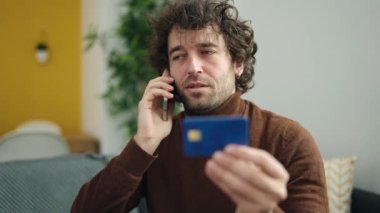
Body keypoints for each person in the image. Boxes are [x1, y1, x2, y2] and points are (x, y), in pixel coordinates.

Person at [72, 0, 328, 212]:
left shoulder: (287, 139)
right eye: (179, 56)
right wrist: (143, 142)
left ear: (237, 62)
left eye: (207, 51)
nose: (193, 67)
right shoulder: (158, 142)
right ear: (167, 71)